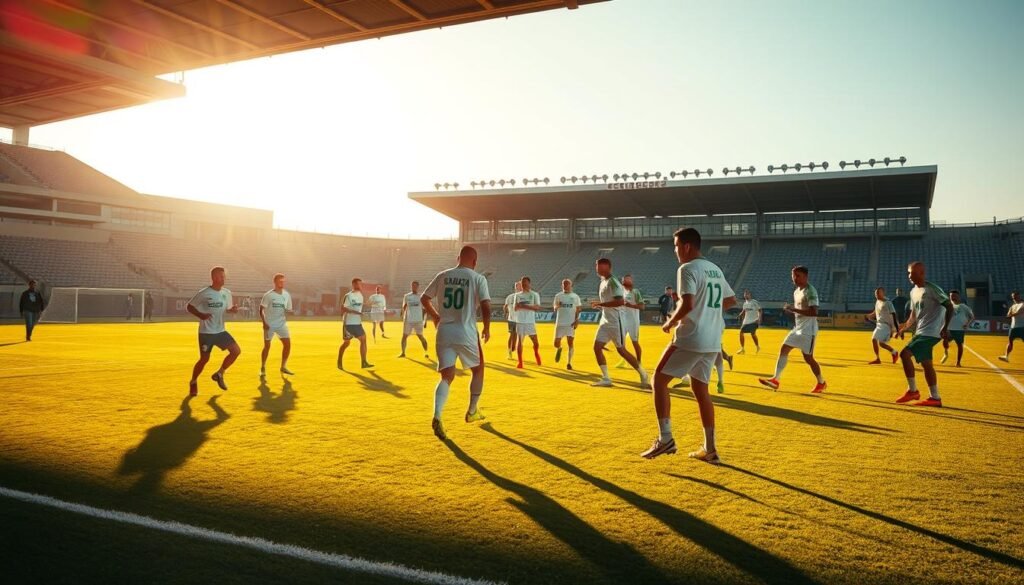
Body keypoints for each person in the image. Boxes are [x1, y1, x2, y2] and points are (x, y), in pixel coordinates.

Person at [642, 227, 736, 463]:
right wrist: (709, 313)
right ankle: (710, 449)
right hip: (712, 340)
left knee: (658, 381)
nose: (675, 251)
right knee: (700, 390)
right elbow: (731, 300)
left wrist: (670, 323)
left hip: (691, 337)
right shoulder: (714, 268)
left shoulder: (687, 268)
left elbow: (688, 304)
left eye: (675, 246)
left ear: (686, 246)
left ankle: (666, 439)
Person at [421, 245, 491, 441]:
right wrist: (487, 327)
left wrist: (435, 316)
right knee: (478, 369)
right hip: (466, 331)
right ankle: (472, 410)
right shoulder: (478, 278)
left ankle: (437, 416)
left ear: (457, 258)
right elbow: (485, 304)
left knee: (446, 376)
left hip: (444, 331)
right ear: (475, 262)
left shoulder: (443, 275)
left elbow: (424, 298)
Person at [758, 266, 827, 393]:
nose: (795, 278)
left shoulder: (810, 291)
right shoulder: (796, 291)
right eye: (793, 276)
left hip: (808, 331)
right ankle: (776, 379)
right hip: (798, 328)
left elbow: (814, 312)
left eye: (798, 276)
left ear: (806, 277)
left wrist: (793, 309)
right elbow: (800, 312)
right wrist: (791, 311)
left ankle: (821, 382)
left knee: (809, 358)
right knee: (784, 348)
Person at [895, 262, 953, 407]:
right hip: (921, 331)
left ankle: (912, 390)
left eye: (913, 273)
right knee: (927, 365)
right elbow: (913, 315)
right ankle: (935, 397)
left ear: (922, 273)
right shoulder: (913, 292)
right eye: (908, 273)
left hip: (931, 332)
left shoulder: (932, 288)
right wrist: (904, 328)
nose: (910, 276)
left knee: (904, 354)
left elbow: (949, 305)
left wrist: (945, 327)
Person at [590, 258, 649, 388]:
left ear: (609, 267)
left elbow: (620, 302)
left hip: (616, 321)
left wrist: (601, 304)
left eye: (601, 267)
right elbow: (611, 302)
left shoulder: (613, 282)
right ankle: (606, 378)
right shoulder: (603, 282)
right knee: (597, 347)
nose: (598, 269)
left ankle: (643, 374)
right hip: (605, 321)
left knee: (622, 350)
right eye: (597, 267)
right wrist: (601, 306)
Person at [186, 266, 241, 396]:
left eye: (224, 276)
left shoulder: (226, 293)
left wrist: (231, 310)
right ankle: (193, 382)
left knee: (236, 351)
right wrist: (201, 315)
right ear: (214, 278)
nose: (224, 278)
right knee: (204, 360)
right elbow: (189, 306)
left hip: (220, 331)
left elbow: (226, 309)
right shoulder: (204, 293)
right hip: (206, 333)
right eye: (221, 276)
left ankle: (219, 373)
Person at [260, 273, 294, 377]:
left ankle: (283, 367)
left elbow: (288, 309)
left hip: (281, 324)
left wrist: (290, 312)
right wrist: (264, 323)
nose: (282, 283)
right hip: (269, 324)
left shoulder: (286, 295)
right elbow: (261, 310)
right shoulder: (268, 295)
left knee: (287, 344)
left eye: (283, 281)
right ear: (275, 282)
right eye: (280, 281)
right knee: (267, 346)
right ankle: (263, 367)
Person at [338, 278, 372, 369]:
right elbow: (343, 308)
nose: (361, 286)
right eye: (359, 284)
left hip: (357, 323)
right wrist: (357, 313)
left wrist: (368, 304)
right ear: (354, 285)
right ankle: (339, 361)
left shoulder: (360, 295)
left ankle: (364, 362)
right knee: (346, 343)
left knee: (363, 339)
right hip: (348, 323)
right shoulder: (348, 296)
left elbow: (359, 306)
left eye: (361, 284)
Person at [553, 279, 582, 370]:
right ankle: (559, 348)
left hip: (570, 323)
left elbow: (578, 309)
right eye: (564, 284)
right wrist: (558, 306)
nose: (565, 286)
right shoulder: (558, 296)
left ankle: (569, 363)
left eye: (567, 284)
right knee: (556, 343)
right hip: (560, 323)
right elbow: (554, 308)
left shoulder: (575, 296)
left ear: (571, 285)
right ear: (562, 286)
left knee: (570, 343)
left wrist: (577, 320)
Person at [616, 274, 645, 368]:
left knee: (634, 341)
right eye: (624, 280)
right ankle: (624, 361)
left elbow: (642, 306)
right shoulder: (621, 292)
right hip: (623, 321)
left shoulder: (635, 292)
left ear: (631, 282)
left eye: (628, 280)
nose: (626, 282)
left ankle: (639, 362)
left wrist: (630, 305)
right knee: (621, 343)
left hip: (633, 321)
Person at [513, 276, 542, 368]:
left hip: (530, 322)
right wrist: (522, 306)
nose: (523, 284)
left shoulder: (534, 295)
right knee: (520, 342)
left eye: (525, 282)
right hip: (520, 322)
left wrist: (524, 306)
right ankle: (520, 362)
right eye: (522, 283)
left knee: (536, 343)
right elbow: (515, 308)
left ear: (529, 283)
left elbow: (537, 308)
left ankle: (536, 352)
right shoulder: (517, 295)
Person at [866, 287, 899, 364]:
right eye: (875, 293)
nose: (876, 294)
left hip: (885, 325)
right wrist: (869, 316)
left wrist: (896, 329)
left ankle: (878, 359)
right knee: (881, 344)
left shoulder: (888, 303)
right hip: (880, 325)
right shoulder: (877, 302)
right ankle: (894, 352)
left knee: (874, 339)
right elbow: (875, 312)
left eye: (878, 293)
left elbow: (894, 315)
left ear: (883, 293)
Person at [943, 290, 974, 367]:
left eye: (954, 296)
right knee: (945, 341)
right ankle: (946, 353)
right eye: (951, 296)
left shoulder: (964, 307)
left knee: (959, 345)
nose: (953, 297)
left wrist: (967, 324)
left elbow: (972, 317)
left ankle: (958, 362)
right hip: (949, 329)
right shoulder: (947, 306)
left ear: (958, 297)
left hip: (959, 329)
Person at [399, 280, 430, 359]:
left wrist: (425, 321)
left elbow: (425, 309)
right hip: (408, 320)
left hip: (418, 320)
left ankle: (426, 352)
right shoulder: (407, 296)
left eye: (415, 286)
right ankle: (403, 353)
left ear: (418, 287)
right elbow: (404, 306)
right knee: (404, 336)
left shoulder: (421, 297)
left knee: (421, 337)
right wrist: (402, 314)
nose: (414, 287)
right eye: (412, 286)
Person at [999, 291, 1023, 362]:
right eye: (1013, 297)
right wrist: (1010, 315)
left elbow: (1019, 312)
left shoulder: (1022, 304)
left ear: (1019, 296)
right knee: (1010, 342)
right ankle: (1006, 356)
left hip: (1022, 327)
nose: (1014, 298)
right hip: (1013, 327)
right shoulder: (1012, 306)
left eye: (1015, 297)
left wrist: (1011, 315)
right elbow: (1008, 315)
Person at [736, 290, 762, 354]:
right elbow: (744, 310)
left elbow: (760, 310)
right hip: (746, 321)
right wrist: (740, 314)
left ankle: (757, 346)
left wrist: (759, 318)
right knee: (741, 332)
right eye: (745, 294)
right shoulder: (745, 303)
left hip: (754, 321)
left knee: (752, 334)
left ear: (750, 295)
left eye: (747, 294)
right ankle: (742, 349)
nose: (746, 295)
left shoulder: (754, 302)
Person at [504, 281, 522, 360]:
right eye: (517, 286)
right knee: (512, 335)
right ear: (515, 287)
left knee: (520, 337)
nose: (519, 287)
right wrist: (506, 313)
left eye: (520, 286)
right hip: (511, 319)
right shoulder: (509, 297)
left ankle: (515, 349)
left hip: (521, 320)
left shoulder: (523, 297)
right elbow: (505, 306)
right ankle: (509, 352)